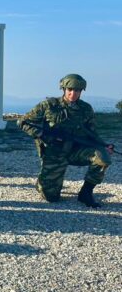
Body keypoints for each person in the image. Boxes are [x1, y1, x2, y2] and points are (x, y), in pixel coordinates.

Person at [18, 74, 114, 207]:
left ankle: (86, 193)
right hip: (54, 153)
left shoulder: (86, 109)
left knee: (103, 157)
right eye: (70, 89)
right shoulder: (49, 105)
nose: (73, 94)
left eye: (77, 90)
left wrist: (104, 145)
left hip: (76, 151)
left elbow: (92, 133)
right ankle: (42, 183)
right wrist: (42, 135)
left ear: (81, 91)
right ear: (64, 89)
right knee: (51, 197)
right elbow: (23, 122)